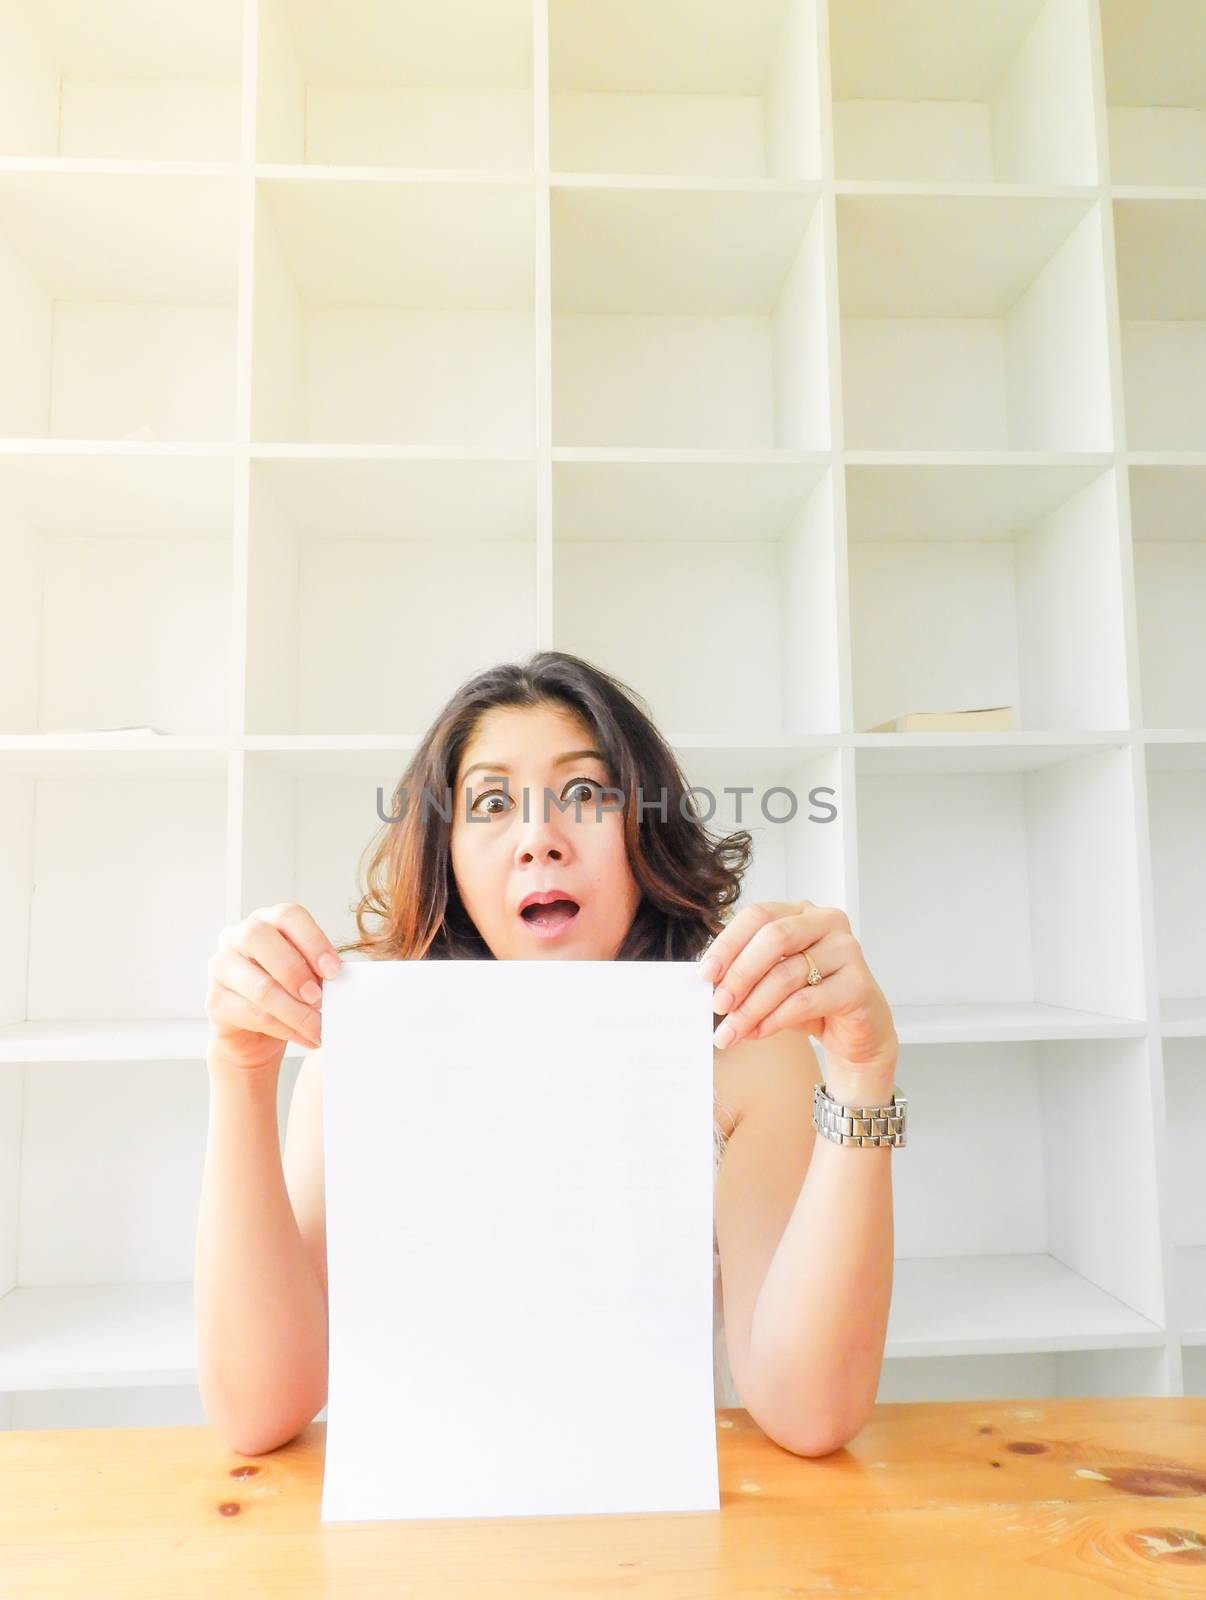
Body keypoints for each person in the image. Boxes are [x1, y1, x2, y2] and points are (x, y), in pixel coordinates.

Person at [196, 650, 900, 1458]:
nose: (540, 839)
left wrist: (861, 1079)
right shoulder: (361, 1055)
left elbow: (811, 1415)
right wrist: (239, 1076)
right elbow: (259, 1411)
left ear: (644, 829)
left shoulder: (746, 1051)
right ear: (448, 853)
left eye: (586, 794)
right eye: (492, 802)